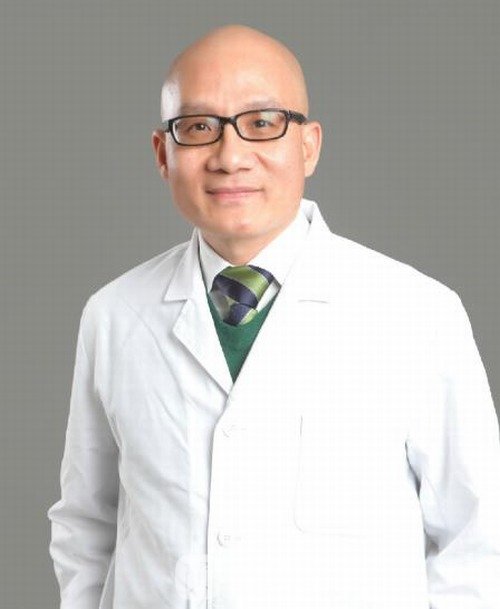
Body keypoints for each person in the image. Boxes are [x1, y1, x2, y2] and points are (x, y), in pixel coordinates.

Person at [47, 24, 500, 609]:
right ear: (163, 154)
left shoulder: (418, 314)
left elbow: (479, 539)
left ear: (309, 146)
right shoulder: (113, 315)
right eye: (199, 127)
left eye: (262, 123)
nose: (231, 157)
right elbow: (87, 524)